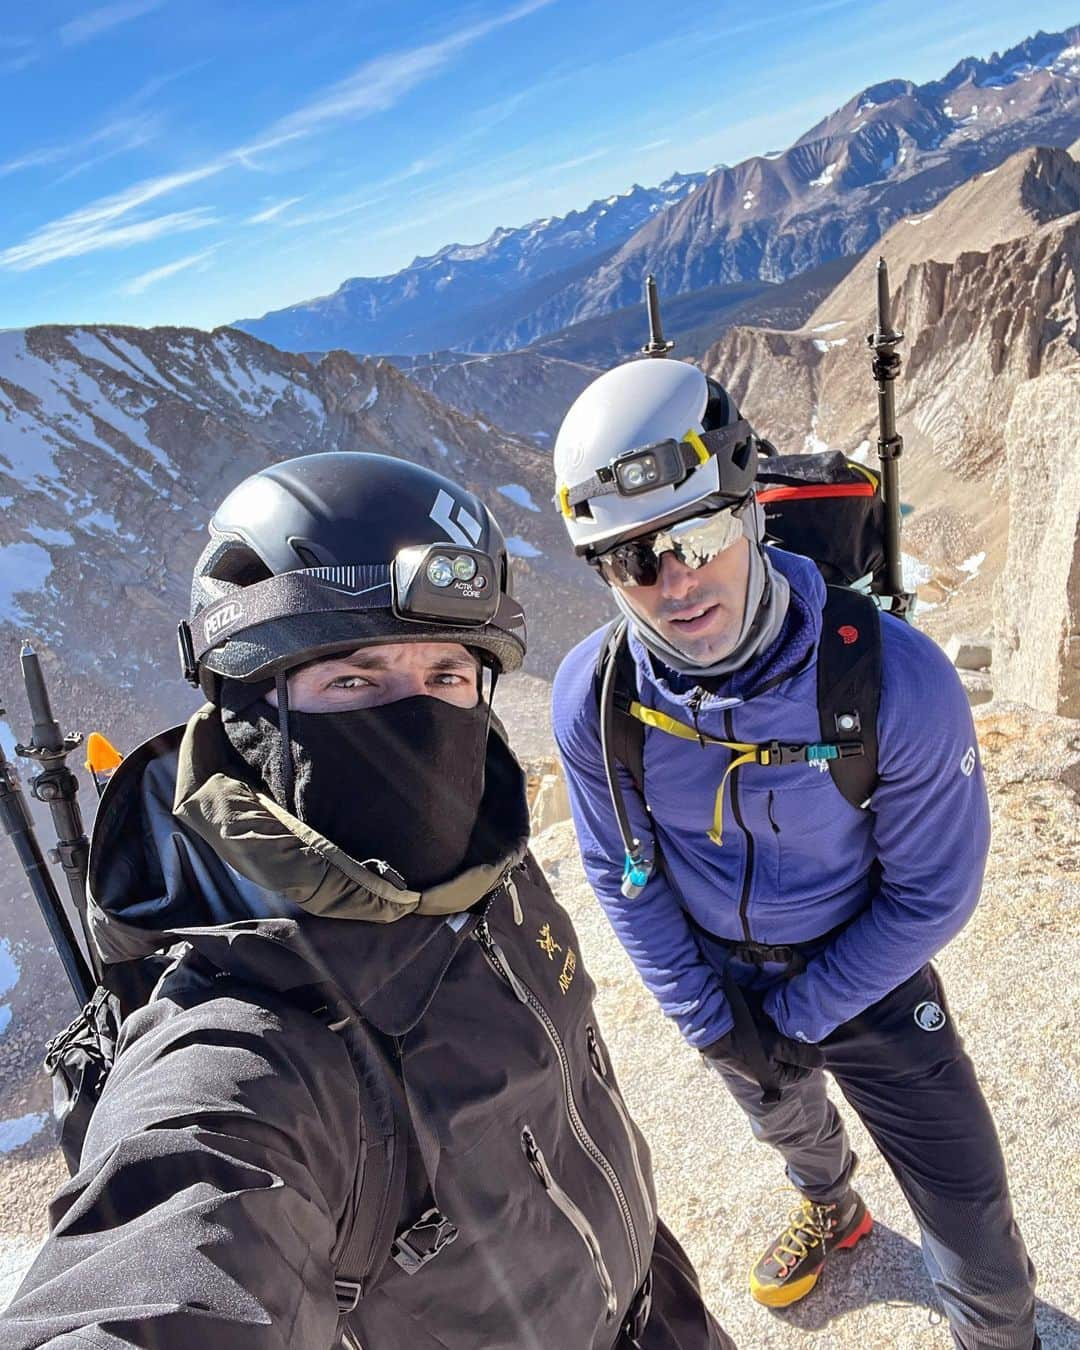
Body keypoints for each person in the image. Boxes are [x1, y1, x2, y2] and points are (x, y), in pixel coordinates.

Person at [1, 452, 734, 1350]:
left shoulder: (486, 856)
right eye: (353, 680)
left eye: (446, 676)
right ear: (247, 707)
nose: (418, 718)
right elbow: (170, 1258)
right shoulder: (247, 1043)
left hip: (659, 1307)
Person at [550, 359, 1039, 1350]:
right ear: (603, 571)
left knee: (974, 1228)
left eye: (696, 533)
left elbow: (933, 894)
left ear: (750, 513)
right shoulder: (594, 701)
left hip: (868, 976)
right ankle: (833, 1203)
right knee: (789, 1125)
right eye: (633, 560)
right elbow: (620, 869)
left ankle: (1000, 1334)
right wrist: (713, 1020)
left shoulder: (895, 680)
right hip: (725, 988)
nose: (675, 583)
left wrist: (795, 1020)